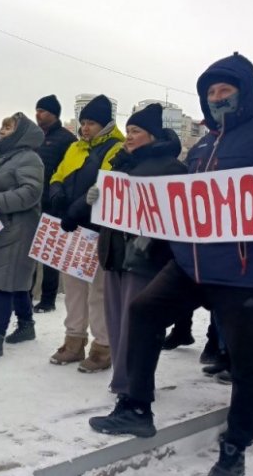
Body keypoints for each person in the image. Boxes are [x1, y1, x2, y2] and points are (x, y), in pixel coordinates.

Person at [88, 53, 253, 475]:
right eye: (210, 92)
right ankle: (136, 407)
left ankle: (235, 448)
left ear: (245, 93)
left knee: (247, 363)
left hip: (245, 270)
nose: (217, 98)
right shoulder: (204, 143)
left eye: (226, 90)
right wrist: (130, 205)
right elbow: (184, 198)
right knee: (144, 311)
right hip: (193, 262)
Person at [88, 103, 187, 395]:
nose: (129, 136)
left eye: (136, 131)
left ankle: (136, 384)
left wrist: (154, 237)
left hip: (144, 258)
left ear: (153, 136)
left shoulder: (171, 168)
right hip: (115, 253)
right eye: (128, 130)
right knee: (116, 321)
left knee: (136, 325)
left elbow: (175, 214)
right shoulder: (121, 163)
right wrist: (94, 197)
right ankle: (122, 379)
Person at [47, 94, 124, 372]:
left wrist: (75, 210)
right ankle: (73, 341)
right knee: (73, 290)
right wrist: (55, 192)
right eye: (84, 122)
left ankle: (103, 346)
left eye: (91, 122)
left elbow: (104, 187)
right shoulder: (75, 148)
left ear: (104, 124)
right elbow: (58, 175)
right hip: (71, 229)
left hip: (96, 230)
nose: (86, 127)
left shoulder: (116, 148)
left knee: (98, 291)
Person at [0, 113, 44, 361]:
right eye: (2, 126)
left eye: (8, 127)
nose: (2, 131)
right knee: (14, 279)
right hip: (2, 225)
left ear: (20, 132)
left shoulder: (29, 158)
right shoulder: (3, 157)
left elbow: (31, 192)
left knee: (2, 281)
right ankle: (26, 324)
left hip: (18, 227)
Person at [32, 95, 76, 313]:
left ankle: (48, 299)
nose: (38, 114)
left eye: (42, 110)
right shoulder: (34, 137)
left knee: (49, 254)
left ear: (54, 114)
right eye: (36, 110)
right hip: (32, 203)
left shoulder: (66, 140)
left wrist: (60, 197)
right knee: (30, 252)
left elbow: (70, 172)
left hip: (54, 205)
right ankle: (27, 294)